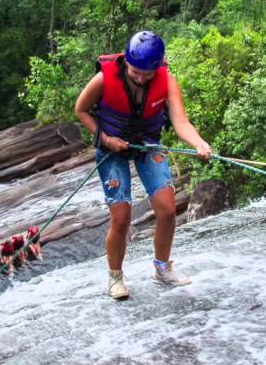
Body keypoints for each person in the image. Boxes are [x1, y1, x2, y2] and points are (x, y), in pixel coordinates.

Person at [74, 30, 211, 300]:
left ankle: (162, 269)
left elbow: (181, 121)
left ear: (158, 66)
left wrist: (199, 143)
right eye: (135, 72)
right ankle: (115, 277)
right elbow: (80, 110)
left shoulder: (167, 81)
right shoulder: (104, 78)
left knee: (167, 209)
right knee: (121, 217)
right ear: (126, 61)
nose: (139, 78)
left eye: (146, 74)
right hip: (111, 148)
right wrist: (106, 139)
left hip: (147, 145)